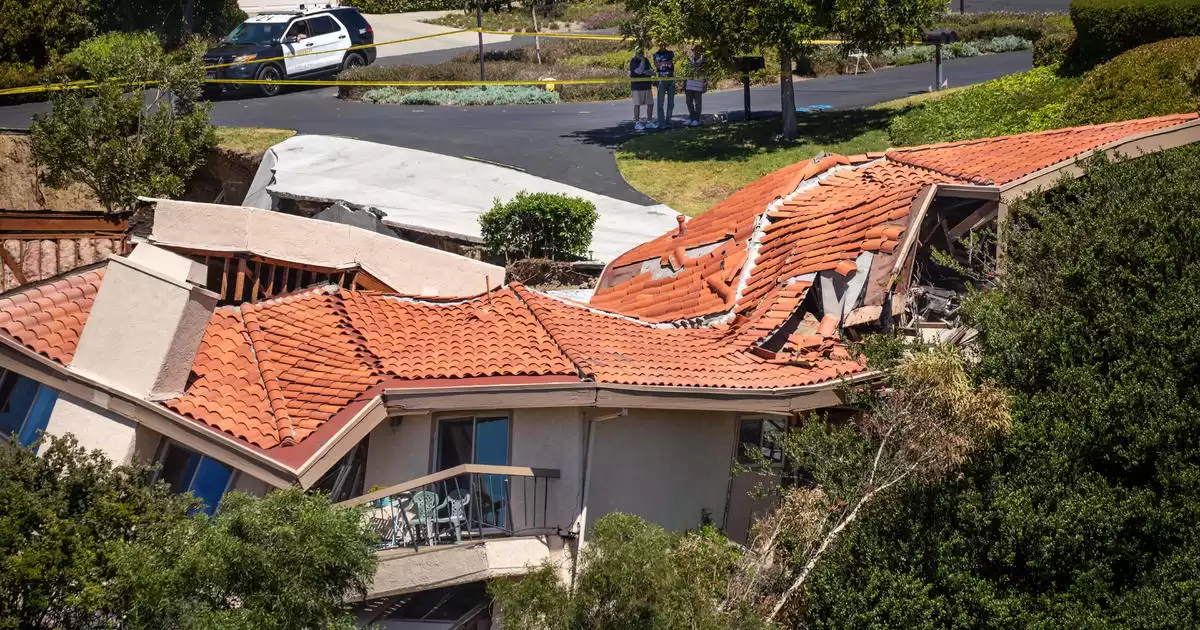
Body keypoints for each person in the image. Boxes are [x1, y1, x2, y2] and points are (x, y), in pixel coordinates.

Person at [629, 47, 655, 131]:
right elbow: (638, 71)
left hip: (647, 86)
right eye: (639, 53)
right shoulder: (633, 61)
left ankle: (649, 122)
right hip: (637, 87)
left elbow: (652, 72)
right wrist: (643, 65)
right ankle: (637, 123)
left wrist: (644, 71)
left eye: (641, 53)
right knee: (637, 105)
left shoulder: (646, 60)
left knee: (650, 104)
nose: (640, 55)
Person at [652, 42, 676, 127]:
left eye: (664, 44)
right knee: (660, 102)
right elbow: (657, 65)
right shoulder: (655, 55)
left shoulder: (670, 53)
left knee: (671, 102)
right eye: (660, 45)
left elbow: (670, 63)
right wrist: (665, 63)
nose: (662, 46)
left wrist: (662, 63)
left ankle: (668, 120)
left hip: (670, 79)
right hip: (661, 80)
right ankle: (661, 122)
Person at [684, 45, 708, 127]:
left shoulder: (704, 60)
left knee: (698, 103)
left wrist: (705, 84)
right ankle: (692, 118)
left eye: (699, 49)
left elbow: (705, 73)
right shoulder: (689, 59)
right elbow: (686, 71)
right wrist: (684, 83)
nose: (697, 51)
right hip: (689, 84)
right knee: (688, 102)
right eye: (695, 49)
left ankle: (696, 119)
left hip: (698, 84)